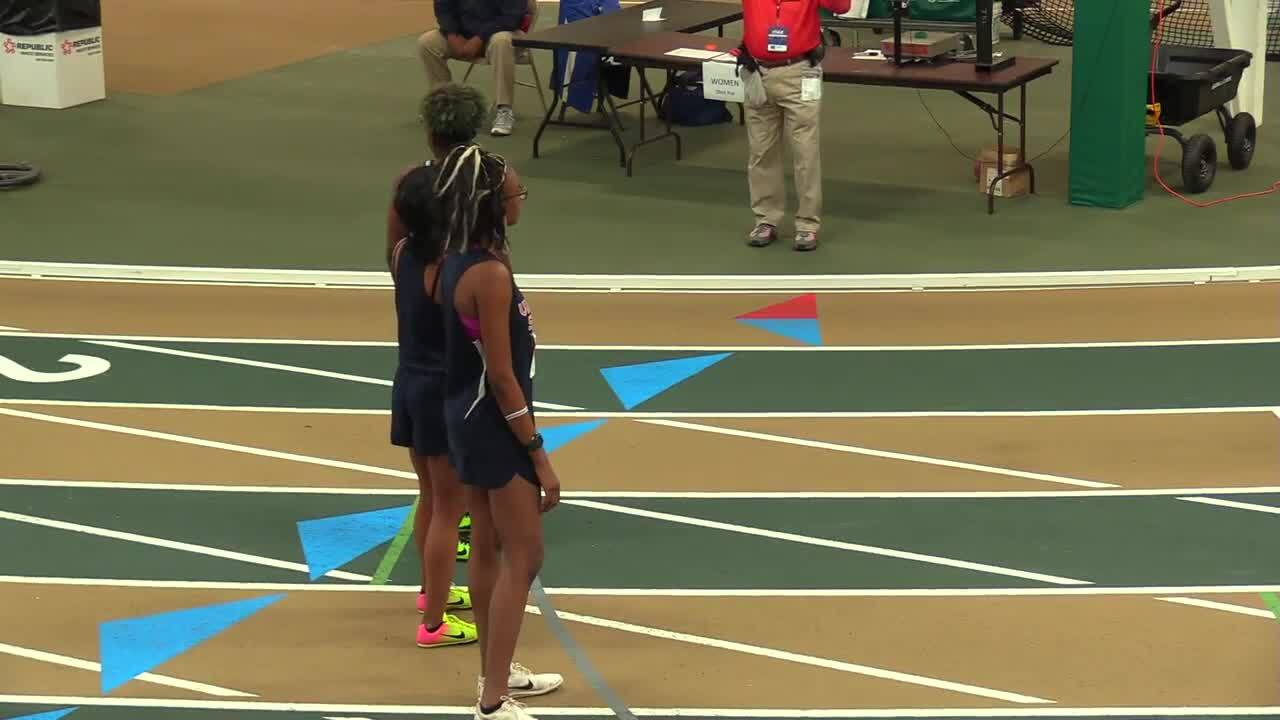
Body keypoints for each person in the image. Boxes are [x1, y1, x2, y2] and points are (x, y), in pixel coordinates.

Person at [430, 87, 564, 720]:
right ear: (494, 205)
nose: (522, 199)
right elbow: (504, 377)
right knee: (526, 554)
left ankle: (497, 670)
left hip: (464, 416)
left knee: (486, 546)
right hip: (491, 424)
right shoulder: (489, 274)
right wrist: (538, 454)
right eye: (517, 192)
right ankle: (492, 699)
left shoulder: (458, 260)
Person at [387, 162, 479, 649]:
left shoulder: (400, 251)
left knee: (430, 496)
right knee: (449, 506)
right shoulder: (447, 268)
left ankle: (431, 592)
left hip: (409, 383)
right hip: (442, 390)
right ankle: (434, 625)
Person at [736, 0, 850, 251]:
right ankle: (766, 219)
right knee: (761, 152)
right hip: (758, 74)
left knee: (805, 152)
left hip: (800, 73)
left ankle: (807, 224)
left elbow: (842, 6)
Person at [417, 0, 529, 137]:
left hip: (504, 33)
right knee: (427, 42)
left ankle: (504, 110)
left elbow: (512, 17)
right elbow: (443, 8)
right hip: (464, 36)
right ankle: (443, 106)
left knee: (501, 41)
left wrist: (479, 39)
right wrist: (452, 35)